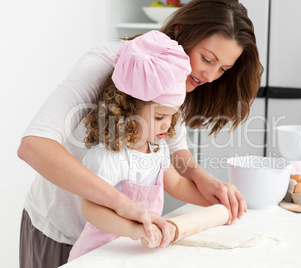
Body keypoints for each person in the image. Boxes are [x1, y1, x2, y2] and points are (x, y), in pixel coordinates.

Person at [18, 0, 262, 267]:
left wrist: (204, 180)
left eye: (223, 69)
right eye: (207, 59)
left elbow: (174, 152)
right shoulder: (106, 63)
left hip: (121, 246)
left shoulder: (177, 80)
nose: (211, 76)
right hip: (60, 234)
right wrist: (125, 207)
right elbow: (34, 145)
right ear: (181, 31)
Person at [67, 30, 212, 261]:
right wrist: (135, 230)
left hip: (137, 251)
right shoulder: (109, 156)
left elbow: (174, 182)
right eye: (158, 117)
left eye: (171, 117)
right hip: (101, 254)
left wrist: (214, 203)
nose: (166, 124)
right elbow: (91, 208)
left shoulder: (157, 148)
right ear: (128, 109)